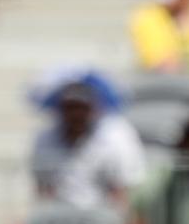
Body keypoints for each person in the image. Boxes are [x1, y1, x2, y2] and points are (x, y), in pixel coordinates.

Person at [30, 78, 146, 210]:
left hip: (100, 216)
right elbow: (43, 189)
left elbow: (121, 190)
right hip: (60, 215)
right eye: (70, 108)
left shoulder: (114, 138)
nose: (76, 114)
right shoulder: (46, 140)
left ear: (93, 109)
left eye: (81, 108)